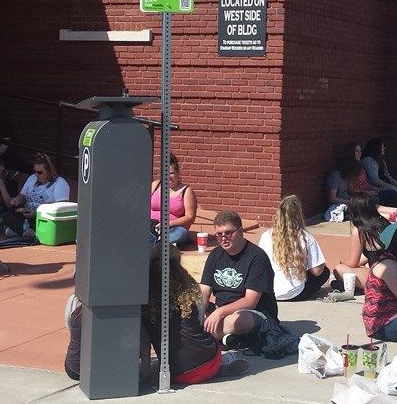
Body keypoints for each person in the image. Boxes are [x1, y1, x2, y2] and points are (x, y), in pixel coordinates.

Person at [64, 244, 248, 383]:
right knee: (207, 339)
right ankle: (219, 366)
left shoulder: (138, 301)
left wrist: (145, 374)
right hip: (186, 371)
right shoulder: (191, 292)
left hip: (75, 369)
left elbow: (143, 341)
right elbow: (199, 323)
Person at [200, 210, 279, 348]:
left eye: (228, 233)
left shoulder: (257, 257)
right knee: (188, 310)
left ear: (241, 231)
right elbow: (204, 290)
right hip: (220, 310)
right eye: (219, 234)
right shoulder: (215, 254)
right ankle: (225, 338)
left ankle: (204, 335)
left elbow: (250, 301)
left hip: (254, 313)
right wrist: (199, 312)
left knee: (238, 321)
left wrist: (220, 313)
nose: (223, 238)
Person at [258, 195, 329, 301]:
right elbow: (317, 271)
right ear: (299, 214)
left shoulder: (266, 235)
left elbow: (259, 264)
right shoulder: (305, 236)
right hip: (296, 293)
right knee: (325, 272)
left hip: (270, 292)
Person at [328, 194, 390, 294]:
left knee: (339, 270)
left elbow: (353, 262)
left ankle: (361, 287)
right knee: (364, 264)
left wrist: (342, 262)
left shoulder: (359, 230)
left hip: (385, 279)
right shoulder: (384, 222)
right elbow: (378, 251)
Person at [326, 142, 397, 218]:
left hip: (352, 199)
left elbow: (351, 190)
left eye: (360, 151)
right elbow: (332, 198)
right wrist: (351, 202)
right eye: (357, 151)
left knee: (370, 203)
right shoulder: (336, 175)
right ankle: (391, 215)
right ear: (350, 153)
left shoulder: (353, 171)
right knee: (366, 206)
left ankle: (396, 212)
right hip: (341, 205)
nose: (360, 154)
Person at [2, 153, 71, 236]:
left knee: (10, 230)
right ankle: (27, 231)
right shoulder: (32, 178)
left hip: (44, 218)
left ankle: (26, 231)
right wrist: (17, 199)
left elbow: (61, 207)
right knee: (6, 215)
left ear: (49, 171)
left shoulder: (60, 183)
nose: (37, 175)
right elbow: (22, 196)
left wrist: (37, 212)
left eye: (40, 172)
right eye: (35, 171)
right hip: (26, 214)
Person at [150, 153, 198, 246]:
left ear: (178, 173)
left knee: (181, 233)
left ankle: (155, 243)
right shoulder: (155, 185)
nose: (168, 176)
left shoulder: (186, 191)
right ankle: (158, 243)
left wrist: (169, 223)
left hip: (173, 228)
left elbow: (190, 217)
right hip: (152, 226)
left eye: (171, 173)